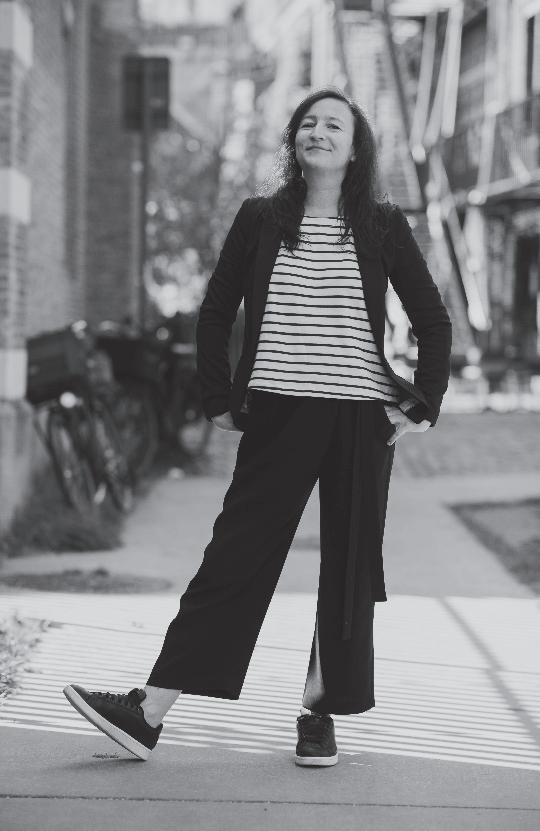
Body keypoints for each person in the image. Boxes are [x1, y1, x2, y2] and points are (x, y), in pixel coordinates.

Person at [64, 86, 452, 767]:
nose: (318, 132)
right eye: (308, 123)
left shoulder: (383, 224)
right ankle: (148, 712)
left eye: (334, 125)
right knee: (235, 555)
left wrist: (422, 402)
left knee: (348, 570)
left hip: (360, 418)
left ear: (355, 148)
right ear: (294, 141)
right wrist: (216, 394)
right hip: (279, 412)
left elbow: (432, 319)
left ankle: (319, 715)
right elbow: (215, 311)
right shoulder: (261, 218)